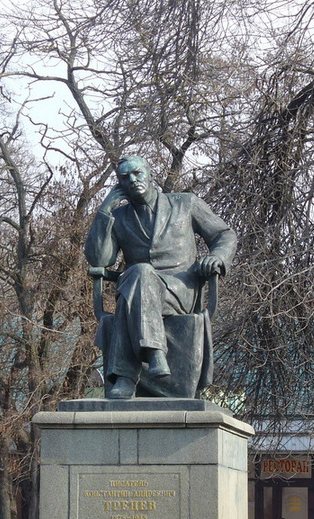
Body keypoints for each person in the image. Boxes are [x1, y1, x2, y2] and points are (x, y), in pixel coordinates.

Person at [84, 154, 237, 399]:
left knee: (135, 283)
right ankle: (155, 354)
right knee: (141, 273)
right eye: (125, 177)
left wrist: (217, 257)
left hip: (178, 289)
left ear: (150, 174)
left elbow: (224, 235)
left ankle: (125, 376)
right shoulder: (119, 217)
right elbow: (100, 260)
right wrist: (104, 211)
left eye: (137, 173)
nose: (132, 180)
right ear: (119, 185)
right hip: (137, 285)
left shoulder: (185, 203)